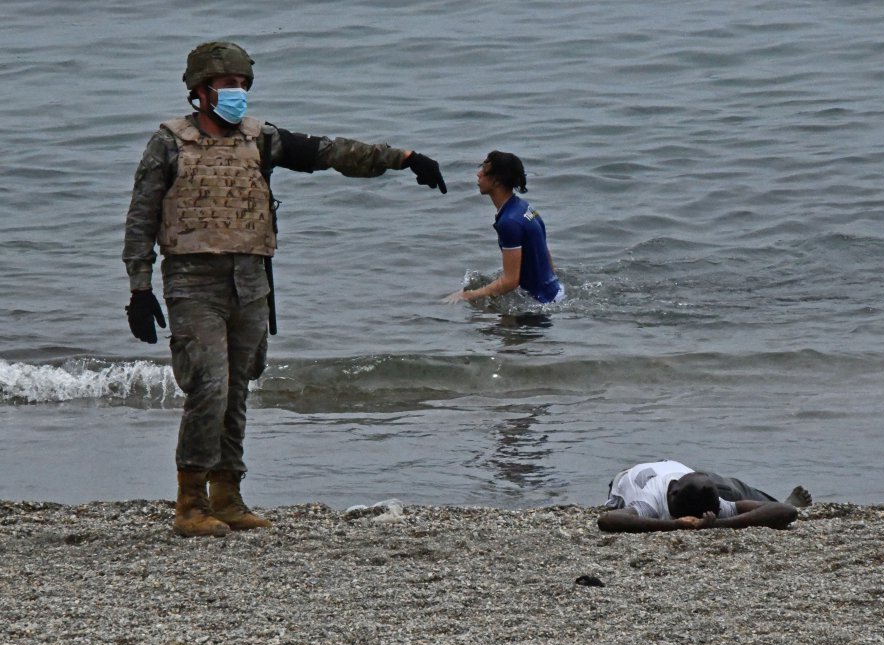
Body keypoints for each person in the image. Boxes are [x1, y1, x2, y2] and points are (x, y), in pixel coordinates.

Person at [122, 41, 447, 538]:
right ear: (200, 92)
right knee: (207, 385)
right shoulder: (169, 142)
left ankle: (226, 496)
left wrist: (403, 158)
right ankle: (190, 502)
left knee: (236, 388)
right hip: (193, 282)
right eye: (226, 85)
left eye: (241, 84)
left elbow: (332, 153)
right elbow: (142, 216)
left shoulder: (262, 140)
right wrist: (140, 287)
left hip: (251, 282)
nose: (237, 93)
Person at [442, 151, 563, 305]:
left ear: (497, 180)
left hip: (541, 303)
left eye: (484, 171)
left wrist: (467, 296)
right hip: (556, 291)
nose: (478, 174)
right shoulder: (525, 207)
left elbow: (510, 282)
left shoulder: (509, 222)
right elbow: (545, 254)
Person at [598, 459, 812, 532]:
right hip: (633, 474)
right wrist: (675, 526)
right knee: (734, 491)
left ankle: (769, 499)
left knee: (732, 488)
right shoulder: (650, 499)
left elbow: (787, 513)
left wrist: (719, 525)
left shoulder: (713, 504)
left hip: (686, 475)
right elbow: (608, 520)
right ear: (671, 493)